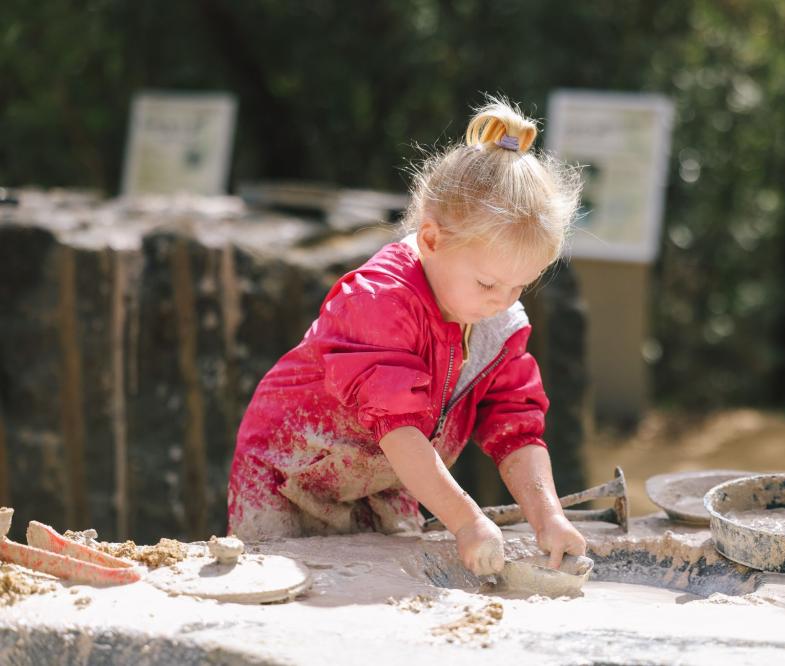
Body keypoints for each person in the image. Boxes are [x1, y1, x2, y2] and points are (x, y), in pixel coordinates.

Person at [227, 97, 586, 576]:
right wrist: (465, 520)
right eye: (488, 283)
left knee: (395, 589)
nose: (503, 299)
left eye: (521, 284)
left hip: (383, 478)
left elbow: (515, 426)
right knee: (289, 591)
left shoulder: (496, 322)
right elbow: (399, 429)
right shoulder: (378, 301)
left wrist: (549, 517)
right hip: (291, 473)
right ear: (432, 240)